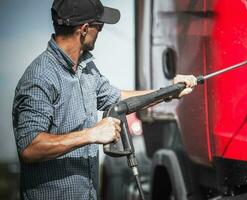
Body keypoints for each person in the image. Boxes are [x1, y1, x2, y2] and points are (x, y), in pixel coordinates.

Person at [12, 0, 197, 199]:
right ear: (83, 29)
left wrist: (170, 91)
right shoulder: (40, 77)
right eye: (99, 27)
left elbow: (118, 97)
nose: (100, 32)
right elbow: (30, 147)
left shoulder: (86, 70)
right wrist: (91, 134)